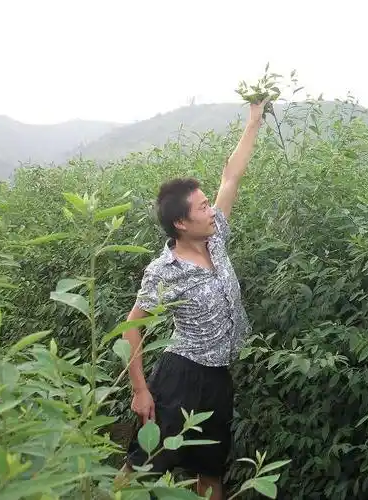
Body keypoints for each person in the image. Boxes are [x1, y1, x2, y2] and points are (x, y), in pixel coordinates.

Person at [119, 98, 268, 499]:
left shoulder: (215, 238)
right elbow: (132, 327)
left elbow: (230, 177)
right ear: (181, 223)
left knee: (210, 470)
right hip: (180, 377)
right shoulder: (164, 270)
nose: (211, 210)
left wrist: (253, 120)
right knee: (143, 465)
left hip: (218, 378)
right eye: (203, 207)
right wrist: (140, 390)